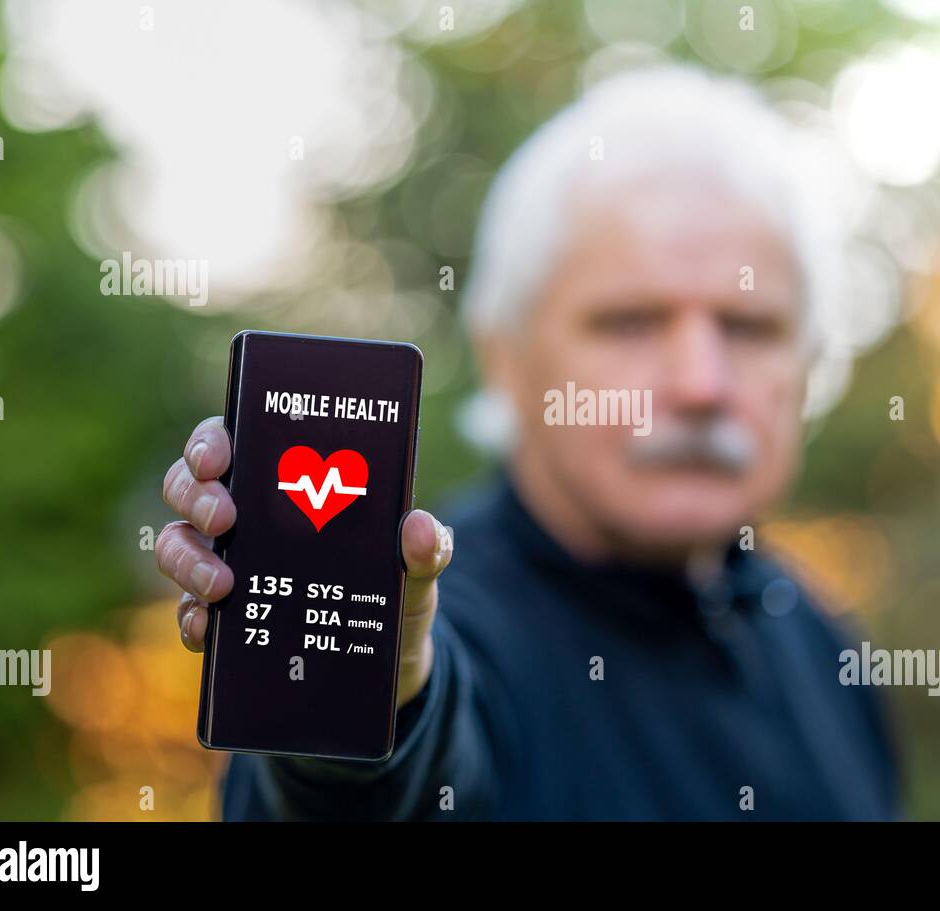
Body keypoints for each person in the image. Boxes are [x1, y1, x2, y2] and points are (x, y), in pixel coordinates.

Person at [156, 66, 901, 820]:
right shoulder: (454, 626)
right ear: (504, 358)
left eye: (748, 327)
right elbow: (370, 780)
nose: (700, 385)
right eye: (630, 323)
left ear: (807, 366)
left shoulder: (822, 645)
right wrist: (362, 701)